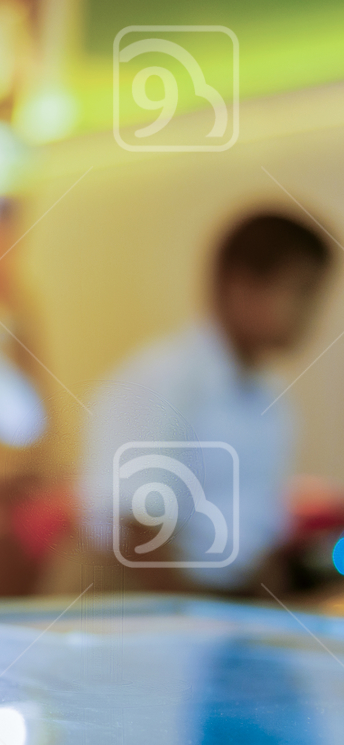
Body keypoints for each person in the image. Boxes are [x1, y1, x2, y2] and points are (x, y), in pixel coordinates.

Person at [74, 212, 333, 594]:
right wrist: (203, 616)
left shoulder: (272, 399)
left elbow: (259, 533)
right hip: (137, 599)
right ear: (241, 287)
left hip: (222, 601)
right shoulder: (161, 379)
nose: (313, 313)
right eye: (302, 291)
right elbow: (133, 532)